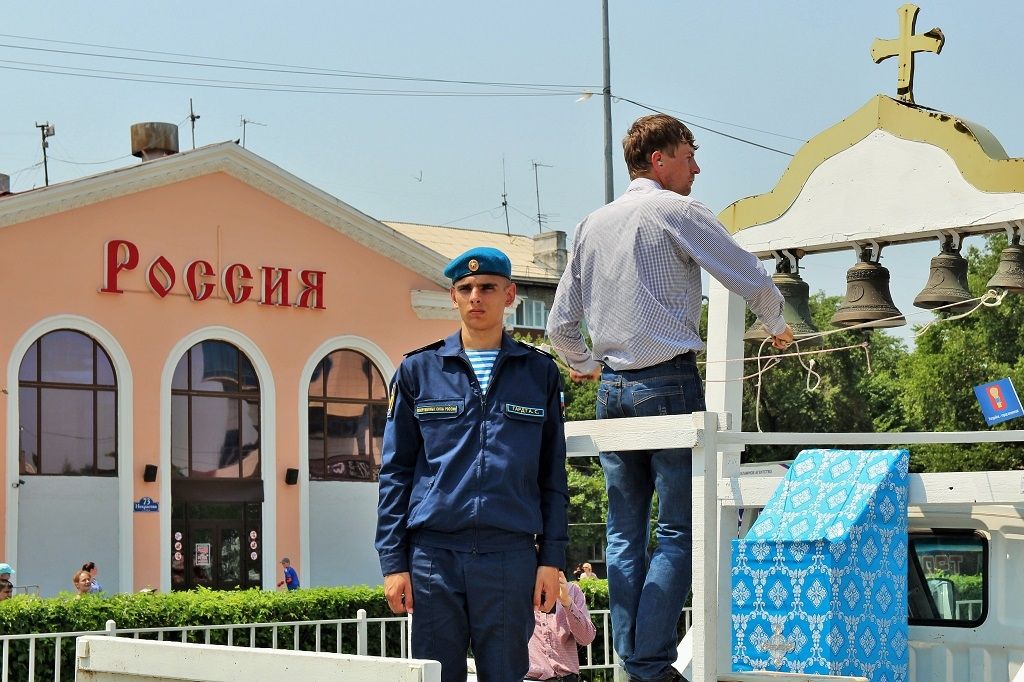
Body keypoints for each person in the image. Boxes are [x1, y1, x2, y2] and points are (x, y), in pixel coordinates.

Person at [547, 114, 793, 682]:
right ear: (659, 160)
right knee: (681, 530)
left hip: (612, 391)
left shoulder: (590, 224)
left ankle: (637, 661)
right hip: (669, 385)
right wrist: (777, 323)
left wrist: (585, 365)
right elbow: (745, 271)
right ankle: (648, 664)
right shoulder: (676, 211)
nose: (696, 168)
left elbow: (560, 325)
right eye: (689, 155)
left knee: (623, 533)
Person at [376, 246, 569, 682]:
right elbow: (395, 473)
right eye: (465, 288)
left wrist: (551, 559)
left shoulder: (538, 373)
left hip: (510, 557)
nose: (475, 296)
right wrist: (393, 562)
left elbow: (552, 476)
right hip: (433, 558)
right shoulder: (418, 370)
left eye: (487, 287)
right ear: (453, 296)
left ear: (510, 295)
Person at [526, 570, 597, 682]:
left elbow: (586, 638)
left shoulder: (571, 590)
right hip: (530, 678)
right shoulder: (518, 593)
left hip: (568, 678)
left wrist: (566, 602)